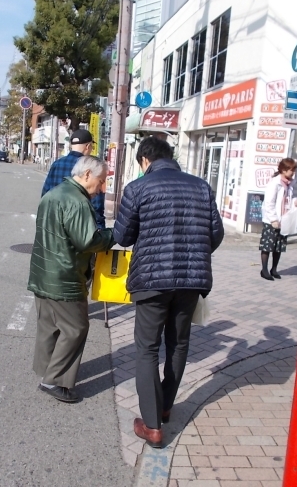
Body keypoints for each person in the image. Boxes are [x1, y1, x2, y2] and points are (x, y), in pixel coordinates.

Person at [113, 136, 224, 448]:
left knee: (147, 348)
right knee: (178, 344)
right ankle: (165, 406)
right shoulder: (201, 187)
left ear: (145, 160)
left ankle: (152, 426)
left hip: (151, 281)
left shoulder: (138, 188)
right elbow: (215, 234)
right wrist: (195, 254)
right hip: (191, 280)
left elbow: (123, 236)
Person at [28, 155, 114, 403]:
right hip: (63, 276)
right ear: (87, 174)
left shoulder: (54, 193)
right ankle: (53, 381)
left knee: (49, 325)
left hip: (42, 271)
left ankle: (46, 369)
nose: (101, 188)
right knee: (76, 328)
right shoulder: (77, 201)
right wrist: (111, 236)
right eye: (100, 181)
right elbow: (88, 241)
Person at [42, 129, 106, 229]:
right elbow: (96, 205)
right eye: (91, 146)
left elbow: (45, 194)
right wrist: (100, 229)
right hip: (80, 227)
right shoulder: (91, 167)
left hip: (55, 225)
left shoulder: (57, 164)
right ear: (88, 146)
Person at [260, 158, 297, 281]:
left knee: (279, 246)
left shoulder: (289, 184)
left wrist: (294, 202)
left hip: (284, 220)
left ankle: (274, 269)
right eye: (291, 170)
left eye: (293, 170)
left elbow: (286, 201)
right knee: (267, 246)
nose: (293, 172)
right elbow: (269, 203)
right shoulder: (274, 183)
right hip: (272, 220)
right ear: (283, 169)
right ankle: (264, 270)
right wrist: (273, 219)